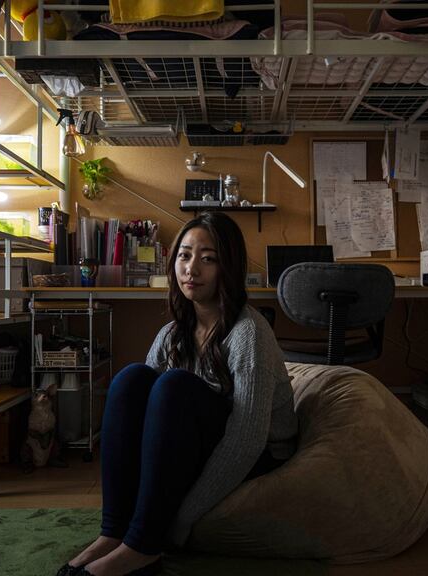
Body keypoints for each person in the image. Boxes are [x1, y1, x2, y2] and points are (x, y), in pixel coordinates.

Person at [57, 212, 298, 576]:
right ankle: (114, 533)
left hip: (260, 454)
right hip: (200, 445)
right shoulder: (173, 332)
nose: (191, 269)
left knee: (173, 385)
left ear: (227, 267)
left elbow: (247, 439)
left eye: (208, 258)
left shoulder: (249, 332)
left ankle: (142, 548)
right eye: (184, 256)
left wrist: (183, 517)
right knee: (130, 379)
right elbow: (142, 412)